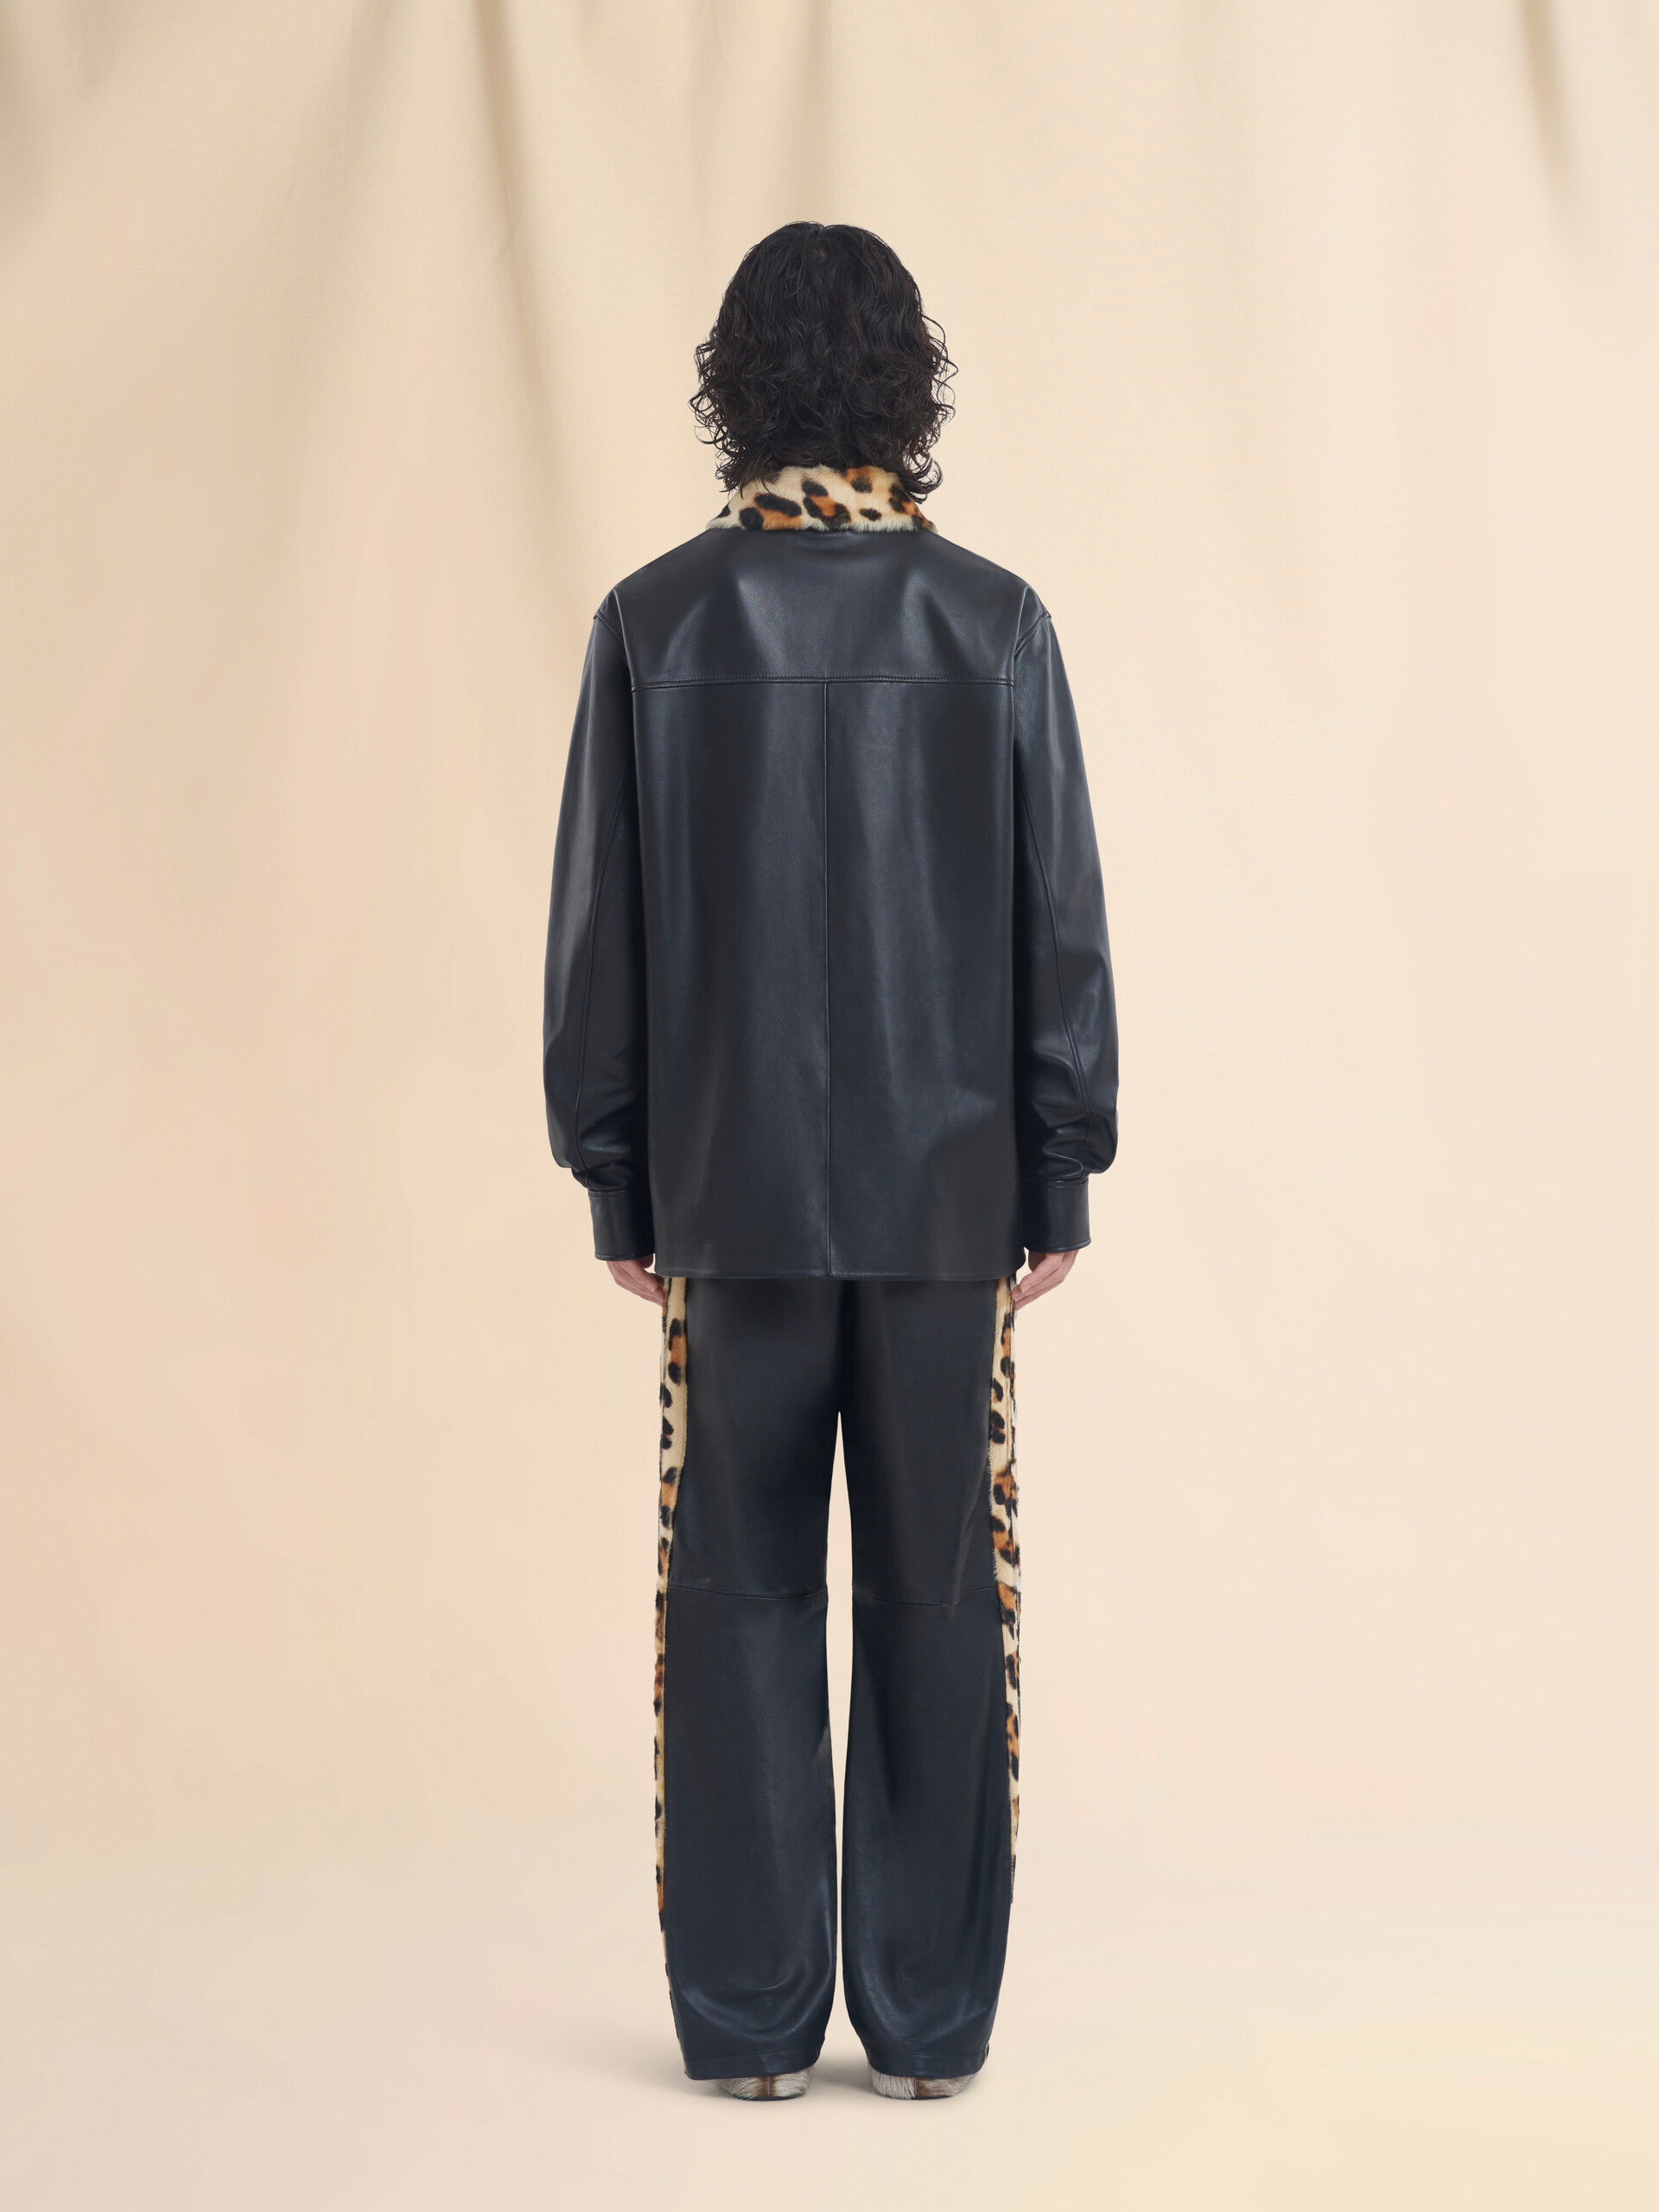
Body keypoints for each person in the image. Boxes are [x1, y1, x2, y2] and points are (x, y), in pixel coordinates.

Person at [542, 221, 1117, 2102]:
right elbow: (1058, 920)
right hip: (950, 1208)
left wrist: (618, 1173)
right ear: (904, 385)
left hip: (730, 1198)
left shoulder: (655, 621)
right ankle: (930, 2030)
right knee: (944, 1604)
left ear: (738, 384)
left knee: (736, 1603)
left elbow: (599, 931)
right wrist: (1059, 1164)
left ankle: (749, 2027)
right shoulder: (993, 620)